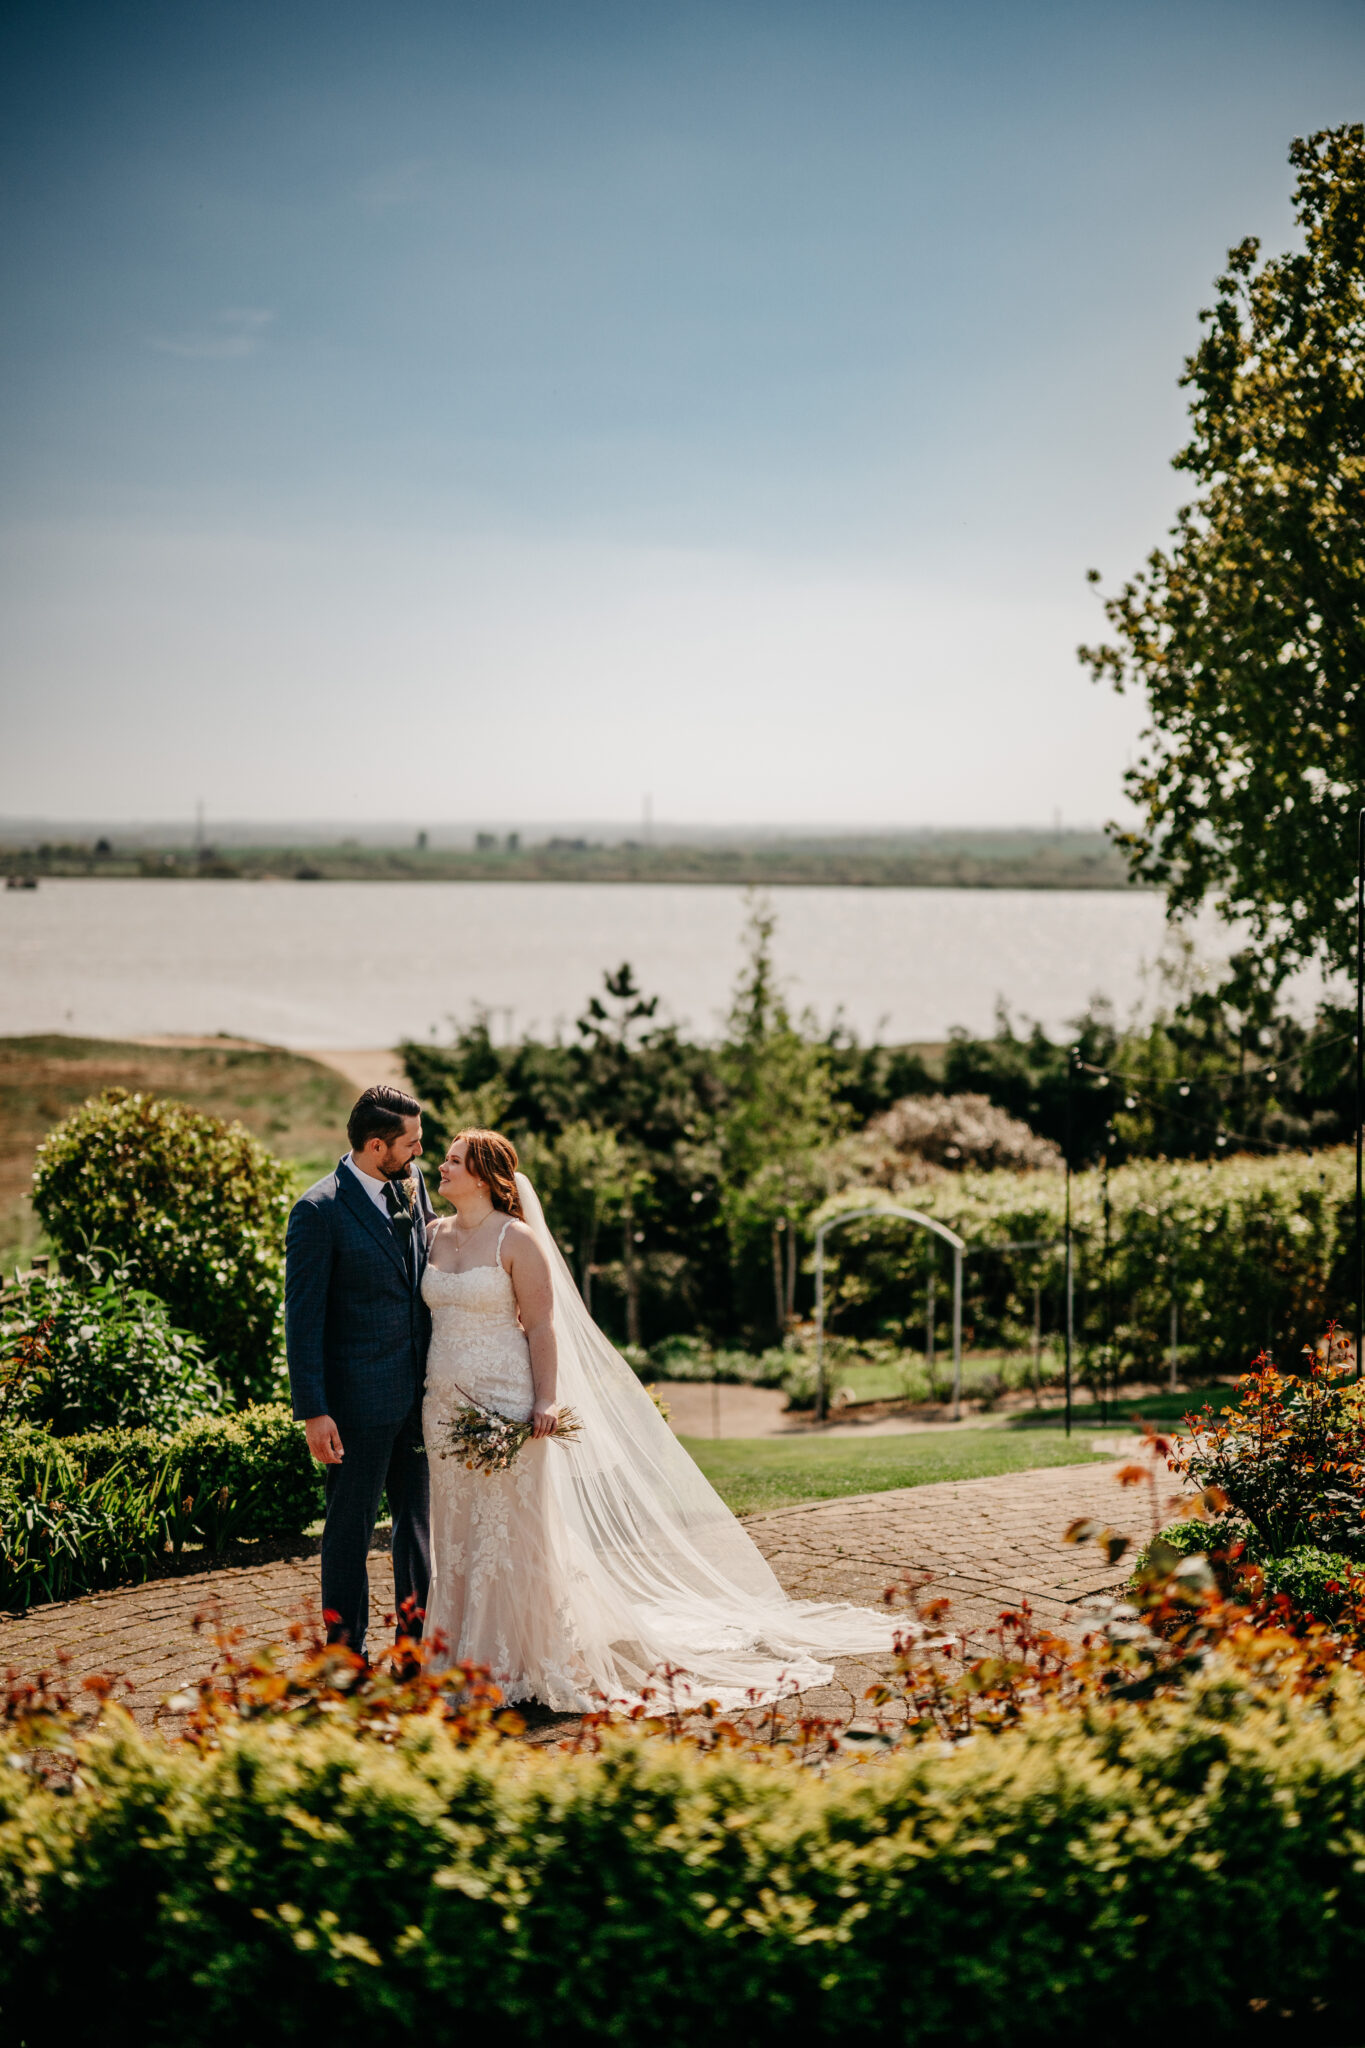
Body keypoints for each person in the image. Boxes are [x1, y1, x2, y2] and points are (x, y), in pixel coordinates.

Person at [422, 1127, 898, 1713]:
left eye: (453, 1160)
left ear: (485, 1176)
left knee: (512, 1530)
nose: (440, 1166)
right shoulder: (432, 1235)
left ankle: (518, 1656)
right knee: (456, 1528)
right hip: (442, 1407)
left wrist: (544, 1402)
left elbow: (543, 1327)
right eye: (443, 1157)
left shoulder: (516, 1239)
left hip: (507, 1400)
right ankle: (454, 1654)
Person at [285, 1084, 434, 1657]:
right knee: (347, 1531)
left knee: (415, 1530)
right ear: (377, 1145)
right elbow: (303, 1321)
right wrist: (314, 1411)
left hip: (419, 1399)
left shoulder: (413, 1186)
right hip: (354, 1405)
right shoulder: (318, 1211)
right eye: (412, 1144)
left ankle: (412, 1643)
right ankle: (345, 1651)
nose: (420, 1153)